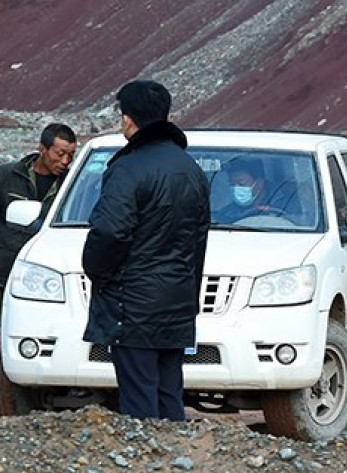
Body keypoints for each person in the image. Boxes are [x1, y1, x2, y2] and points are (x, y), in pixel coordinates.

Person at [82, 80, 210, 421]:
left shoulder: (127, 168)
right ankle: (176, 464)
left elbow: (109, 230)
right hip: (177, 302)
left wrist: (97, 271)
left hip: (134, 304)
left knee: (138, 399)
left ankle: (145, 469)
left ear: (128, 120)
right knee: (169, 394)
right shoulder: (191, 170)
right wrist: (188, 293)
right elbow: (198, 241)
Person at [0, 123, 78, 289]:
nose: (65, 161)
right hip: (6, 269)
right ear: (42, 149)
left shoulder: (72, 185)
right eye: (60, 154)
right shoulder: (8, 176)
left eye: (71, 155)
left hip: (49, 274)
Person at [213, 158, 284, 223]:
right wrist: (245, 214)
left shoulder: (283, 204)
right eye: (232, 184)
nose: (236, 188)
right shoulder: (229, 211)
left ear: (259, 183)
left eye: (241, 183)